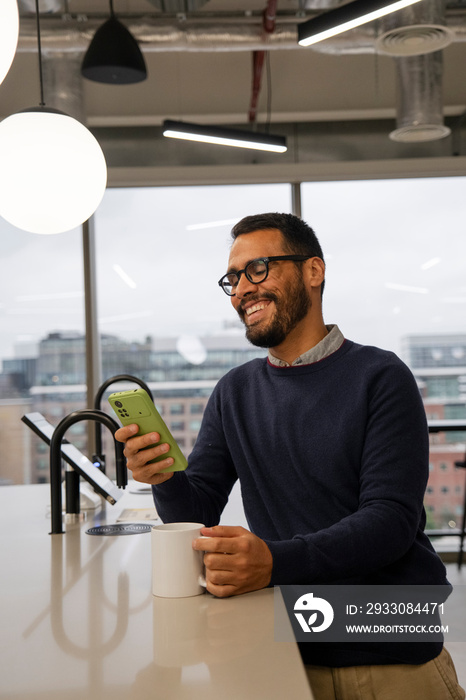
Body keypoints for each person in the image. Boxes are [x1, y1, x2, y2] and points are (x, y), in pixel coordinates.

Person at [115, 213, 465, 700]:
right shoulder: (234, 392)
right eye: (233, 279)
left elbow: (390, 523)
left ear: (313, 271)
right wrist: (164, 476)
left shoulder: (382, 377)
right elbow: (194, 514)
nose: (241, 290)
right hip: (287, 643)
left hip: (389, 640)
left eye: (257, 269)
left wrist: (271, 562)